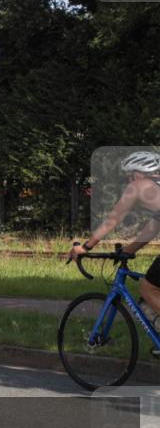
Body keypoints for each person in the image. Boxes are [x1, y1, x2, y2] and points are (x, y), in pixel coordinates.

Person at [69, 151, 160, 353]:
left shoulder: (138, 186)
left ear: (138, 174)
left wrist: (85, 246)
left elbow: (113, 219)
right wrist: (128, 251)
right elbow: (153, 228)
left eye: (129, 175)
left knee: (147, 287)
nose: (129, 180)